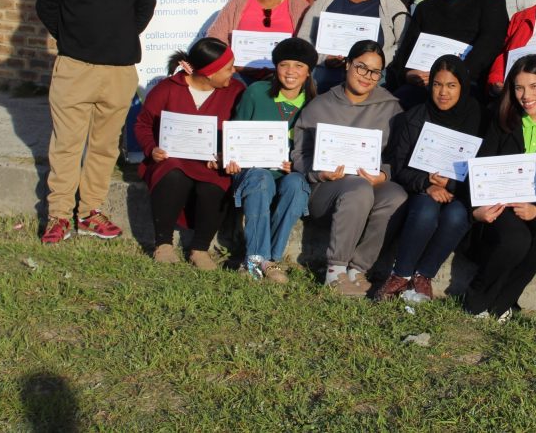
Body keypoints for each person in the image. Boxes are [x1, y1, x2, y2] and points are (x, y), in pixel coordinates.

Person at [35, 0, 156, 244]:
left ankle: (90, 211)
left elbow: (144, 7)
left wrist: (118, 36)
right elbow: (47, 6)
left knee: (104, 146)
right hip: (76, 67)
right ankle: (58, 215)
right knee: (67, 145)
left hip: (119, 71)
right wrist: (73, 39)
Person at [291, 40, 408, 296]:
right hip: (326, 191)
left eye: (375, 72)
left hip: (369, 184)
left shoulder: (391, 108)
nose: (367, 76)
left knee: (396, 196)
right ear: (346, 65)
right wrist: (318, 172)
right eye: (361, 67)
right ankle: (335, 271)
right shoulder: (320, 105)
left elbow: (397, 155)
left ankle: (357, 269)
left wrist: (384, 174)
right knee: (357, 188)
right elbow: (299, 154)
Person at [463, 54, 536, 320]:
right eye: (518, 87)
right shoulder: (502, 119)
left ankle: (503, 300)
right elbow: (481, 166)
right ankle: (477, 294)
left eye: (534, 87)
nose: (525, 95)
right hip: (501, 201)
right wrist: (480, 207)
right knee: (514, 240)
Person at [375, 55, 481, 302]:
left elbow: (483, 165)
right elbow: (399, 167)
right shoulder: (415, 117)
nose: (443, 92)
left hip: (461, 191)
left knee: (456, 216)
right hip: (422, 187)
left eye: (451, 85)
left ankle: (423, 276)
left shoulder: (477, 117)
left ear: (463, 87)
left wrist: (452, 184)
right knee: (425, 212)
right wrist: (426, 184)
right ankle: (400, 275)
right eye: (437, 84)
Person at [134, 37, 244, 269]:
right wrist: (151, 149)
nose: (233, 72)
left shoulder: (236, 91)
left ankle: (200, 248)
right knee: (172, 174)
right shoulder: (167, 89)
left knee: (215, 184)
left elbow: (241, 129)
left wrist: (226, 155)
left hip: (211, 163)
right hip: (172, 159)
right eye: (227, 68)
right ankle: (163, 243)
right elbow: (143, 124)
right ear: (208, 73)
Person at [226, 38, 318, 283]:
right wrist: (233, 156)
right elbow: (237, 131)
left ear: (309, 71)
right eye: (284, 64)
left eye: (299, 66)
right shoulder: (256, 93)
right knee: (260, 177)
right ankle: (257, 260)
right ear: (275, 67)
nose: (290, 72)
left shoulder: (314, 105)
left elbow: (315, 151)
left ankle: (270, 259)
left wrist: (296, 165)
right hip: (253, 171)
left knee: (297, 185)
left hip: (288, 173)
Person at [390, 0, 509, 107]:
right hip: (424, 83)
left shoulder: (491, 1)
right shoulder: (425, 7)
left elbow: (491, 42)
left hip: (468, 83)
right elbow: (408, 49)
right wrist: (408, 73)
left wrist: (457, 75)